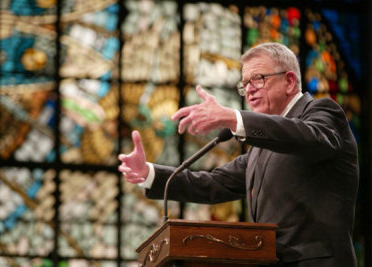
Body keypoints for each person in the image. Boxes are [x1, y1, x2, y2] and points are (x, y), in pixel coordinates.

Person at [118, 42, 359, 267]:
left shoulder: (323, 113)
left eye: (258, 79)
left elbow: (308, 137)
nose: (250, 89)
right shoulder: (261, 148)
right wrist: (148, 173)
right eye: (245, 84)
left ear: (289, 81)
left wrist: (233, 118)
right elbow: (212, 183)